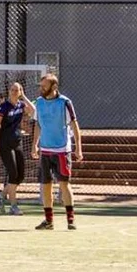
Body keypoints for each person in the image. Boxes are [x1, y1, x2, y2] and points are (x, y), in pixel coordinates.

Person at [32, 73, 82, 231]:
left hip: (62, 150)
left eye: (44, 86)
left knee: (64, 184)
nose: (41, 88)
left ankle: (70, 220)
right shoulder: (39, 103)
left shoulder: (65, 102)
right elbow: (38, 124)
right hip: (45, 150)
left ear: (54, 86)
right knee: (45, 185)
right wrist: (35, 144)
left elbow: (74, 124)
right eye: (41, 86)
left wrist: (78, 147)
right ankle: (49, 221)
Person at [0, 82, 33, 215]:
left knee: (20, 176)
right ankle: (13, 206)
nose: (14, 92)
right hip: (5, 143)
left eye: (17, 90)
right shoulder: (3, 107)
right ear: (9, 91)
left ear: (20, 92)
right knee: (13, 174)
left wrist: (23, 96)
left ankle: (1, 195)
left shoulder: (21, 105)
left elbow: (33, 110)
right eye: (12, 89)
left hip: (17, 142)